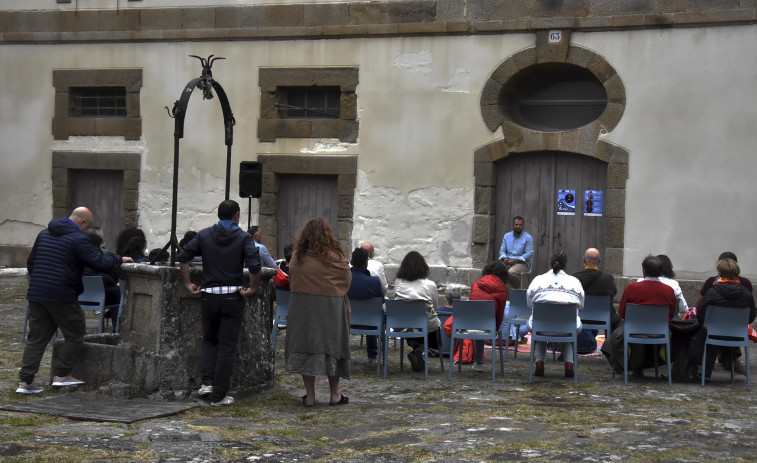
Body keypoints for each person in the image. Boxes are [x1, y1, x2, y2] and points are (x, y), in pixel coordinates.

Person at [18, 207, 133, 394]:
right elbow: (99, 262)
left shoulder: (44, 233)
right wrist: (120, 260)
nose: (87, 231)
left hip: (37, 293)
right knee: (75, 333)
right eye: (87, 227)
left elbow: (32, 263)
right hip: (62, 294)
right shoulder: (78, 239)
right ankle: (61, 375)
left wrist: (40, 282)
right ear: (83, 222)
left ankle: (25, 382)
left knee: (36, 338)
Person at [178, 200, 261, 407]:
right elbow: (254, 264)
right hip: (233, 295)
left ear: (218, 215)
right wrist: (252, 287)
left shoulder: (204, 234)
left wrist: (188, 282)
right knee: (227, 345)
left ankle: (207, 383)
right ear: (236, 216)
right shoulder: (244, 238)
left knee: (209, 339)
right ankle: (220, 395)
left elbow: (183, 255)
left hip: (209, 295)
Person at [285, 218, 352, 407]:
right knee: (332, 347)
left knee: (306, 346)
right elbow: (346, 280)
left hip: (303, 307)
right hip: (330, 307)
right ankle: (335, 395)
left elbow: (292, 280)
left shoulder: (297, 257)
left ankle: (310, 396)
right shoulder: (336, 257)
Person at [688, 258, 755, 378]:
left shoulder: (712, 292)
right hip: (737, 334)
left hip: (713, 334)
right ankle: (732, 364)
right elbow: (750, 318)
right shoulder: (747, 294)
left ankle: (704, 372)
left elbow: (701, 315)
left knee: (706, 330)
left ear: (719, 273)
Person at [526, 249, 585, 378]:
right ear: (566, 266)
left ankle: (539, 362)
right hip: (567, 327)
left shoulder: (538, 280)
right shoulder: (575, 282)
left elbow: (530, 304)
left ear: (550, 263)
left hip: (541, 326)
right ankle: (569, 363)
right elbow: (580, 305)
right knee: (567, 325)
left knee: (539, 324)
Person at [616, 255, 677, 376]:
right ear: (661, 272)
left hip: (634, 331)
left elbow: (622, 313)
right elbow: (671, 315)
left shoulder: (632, 288)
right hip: (660, 332)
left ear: (643, 271)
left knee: (617, 334)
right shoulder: (669, 290)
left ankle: (630, 365)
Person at [394, 250, 441, 373]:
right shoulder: (430, 285)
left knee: (411, 325)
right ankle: (420, 348)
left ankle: (416, 348)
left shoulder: (398, 283)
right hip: (426, 325)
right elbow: (435, 307)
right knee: (433, 325)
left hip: (404, 325)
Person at [573, 248, 618, 353]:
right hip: (603, 318)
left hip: (581, 317)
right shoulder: (609, 279)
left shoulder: (575, 278)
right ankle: (610, 350)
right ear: (599, 261)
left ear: (584, 260)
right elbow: (612, 295)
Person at [468, 260, 509, 370]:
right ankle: (480, 360)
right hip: (488, 324)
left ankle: (479, 360)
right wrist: (496, 327)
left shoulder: (475, 284)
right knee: (488, 321)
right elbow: (500, 313)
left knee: (480, 320)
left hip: (470, 324)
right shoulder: (501, 288)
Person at [347, 247, 384, 365]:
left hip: (347, 321)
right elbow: (381, 300)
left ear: (351, 262)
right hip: (370, 323)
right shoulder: (374, 282)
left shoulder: (344, 280)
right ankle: (372, 355)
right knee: (374, 314)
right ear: (366, 263)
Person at [83, 228, 122, 332]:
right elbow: (110, 281)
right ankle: (116, 328)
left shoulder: (80, 255)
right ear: (100, 240)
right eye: (103, 236)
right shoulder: (102, 257)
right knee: (118, 294)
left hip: (81, 298)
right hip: (102, 299)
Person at [636, 255, 688, 319]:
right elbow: (683, 308)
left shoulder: (638, 283)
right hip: (665, 325)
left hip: (640, 321)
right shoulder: (673, 285)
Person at [498, 216, 534, 288]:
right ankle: (504, 295)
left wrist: (516, 260)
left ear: (523, 226)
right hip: (508, 262)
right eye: (516, 224)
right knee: (497, 270)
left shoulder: (528, 237)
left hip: (523, 264)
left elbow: (528, 253)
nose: (518, 226)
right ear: (513, 225)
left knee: (511, 272)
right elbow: (502, 250)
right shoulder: (507, 236)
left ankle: (517, 292)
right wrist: (505, 258)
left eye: (520, 225)